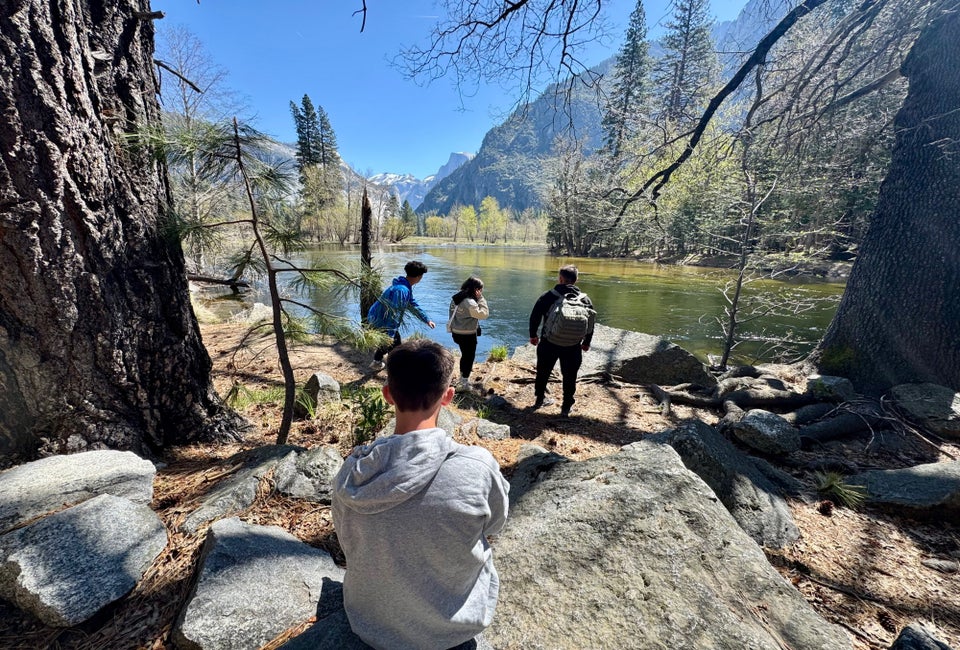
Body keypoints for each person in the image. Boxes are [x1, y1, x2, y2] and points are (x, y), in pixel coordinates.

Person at [331, 339, 510, 650]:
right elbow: (495, 524)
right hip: (452, 629)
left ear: (387, 395)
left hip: (370, 624)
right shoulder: (478, 467)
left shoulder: (353, 473)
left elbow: (346, 539)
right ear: (448, 397)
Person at [528, 264, 595, 417]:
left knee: (543, 371)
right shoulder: (585, 299)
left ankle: (539, 399)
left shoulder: (548, 296)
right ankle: (566, 405)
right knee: (570, 375)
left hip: (549, 342)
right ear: (576, 280)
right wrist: (586, 342)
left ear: (560, 278)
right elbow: (591, 322)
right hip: (573, 345)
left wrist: (533, 335)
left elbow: (535, 316)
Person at [367, 260, 435, 371]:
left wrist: (426, 319)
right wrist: (390, 333)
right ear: (419, 276)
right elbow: (394, 313)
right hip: (381, 320)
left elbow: (413, 304)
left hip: (377, 316)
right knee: (396, 348)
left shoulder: (404, 285)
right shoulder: (402, 290)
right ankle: (393, 374)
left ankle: (377, 362)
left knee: (389, 343)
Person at [448, 276, 490, 391]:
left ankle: (462, 378)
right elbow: (484, 314)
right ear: (476, 289)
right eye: (480, 290)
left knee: (464, 355)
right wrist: (481, 298)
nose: (481, 292)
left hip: (456, 332)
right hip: (467, 334)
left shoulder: (457, 297)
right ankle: (464, 383)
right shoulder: (470, 302)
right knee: (469, 357)